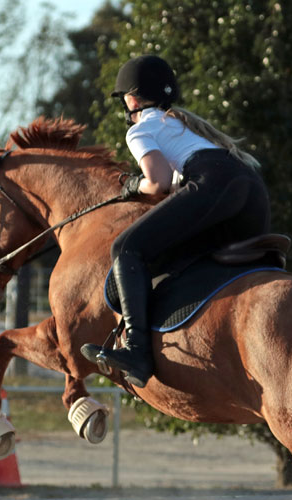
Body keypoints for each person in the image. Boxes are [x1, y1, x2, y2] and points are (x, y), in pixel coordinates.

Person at [80, 54, 271, 388]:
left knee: (126, 248)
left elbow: (159, 182)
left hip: (214, 183)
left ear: (132, 99)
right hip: (252, 194)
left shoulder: (142, 128)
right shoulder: (184, 123)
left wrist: (131, 185)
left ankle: (138, 350)